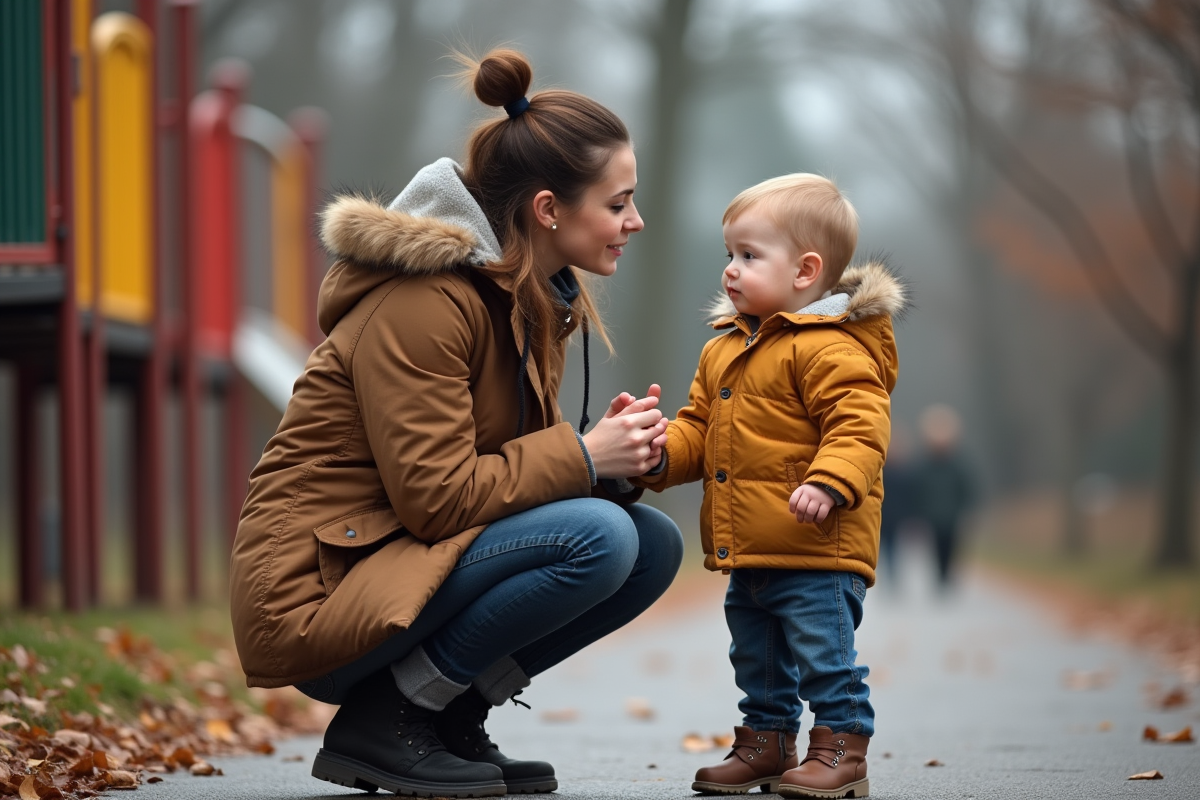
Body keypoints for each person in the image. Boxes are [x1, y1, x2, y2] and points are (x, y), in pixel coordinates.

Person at [228, 48, 684, 798]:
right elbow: (436, 498)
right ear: (547, 210)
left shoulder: (527, 297)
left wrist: (607, 459)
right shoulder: (425, 302)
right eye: (619, 202)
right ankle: (390, 719)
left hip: (396, 563)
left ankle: (444, 717)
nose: (635, 221)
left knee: (649, 547)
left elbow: (492, 478)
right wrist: (579, 455)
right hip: (315, 595)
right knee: (597, 540)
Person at [633, 174, 907, 799]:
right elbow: (700, 429)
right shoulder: (724, 350)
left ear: (806, 271)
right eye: (729, 254)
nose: (731, 270)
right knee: (756, 657)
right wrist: (656, 454)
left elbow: (860, 429)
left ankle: (842, 748)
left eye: (749, 256)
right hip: (750, 545)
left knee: (823, 655)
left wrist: (830, 482)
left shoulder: (830, 349)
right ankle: (767, 741)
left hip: (816, 543)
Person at [914, 404, 974, 591]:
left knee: (951, 546)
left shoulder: (958, 463)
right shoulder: (924, 464)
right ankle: (940, 575)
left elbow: (967, 486)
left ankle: (947, 574)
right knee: (936, 547)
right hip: (932, 515)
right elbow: (918, 489)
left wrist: (967, 507)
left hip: (952, 514)